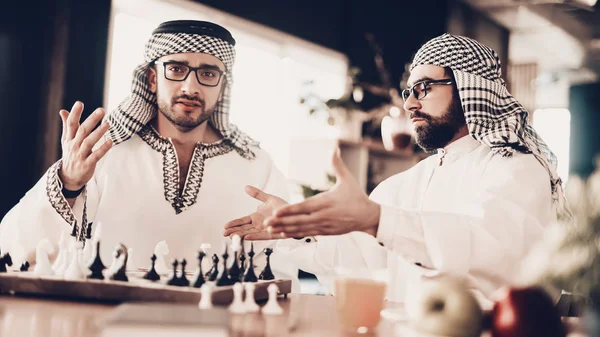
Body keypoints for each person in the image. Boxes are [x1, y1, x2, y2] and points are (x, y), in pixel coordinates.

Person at [224, 34, 570, 302]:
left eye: (424, 87)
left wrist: (379, 220)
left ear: (470, 88)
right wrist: (298, 229)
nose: (409, 103)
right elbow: (359, 262)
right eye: (409, 90)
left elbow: (496, 252)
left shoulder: (517, 169)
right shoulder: (404, 184)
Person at [0, 20, 298, 286]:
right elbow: (14, 245)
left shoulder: (258, 165)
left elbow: (284, 273)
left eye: (207, 73)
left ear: (222, 87)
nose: (190, 87)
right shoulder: (103, 152)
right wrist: (68, 182)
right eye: (177, 69)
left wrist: (295, 230)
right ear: (152, 79)